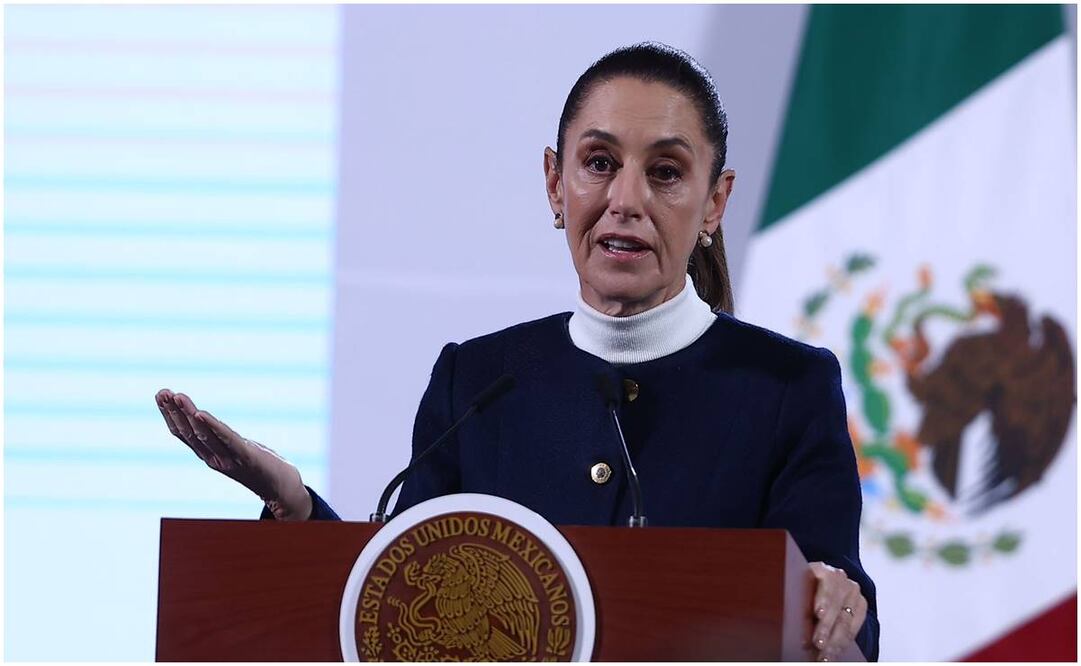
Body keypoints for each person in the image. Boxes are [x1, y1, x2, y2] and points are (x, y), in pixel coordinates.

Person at [155, 42, 879, 661]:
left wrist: (834, 605)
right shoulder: (475, 382)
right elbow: (407, 602)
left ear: (713, 204)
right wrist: (295, 509)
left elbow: (846, 621)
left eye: (664, 172)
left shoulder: (787, 386)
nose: (625, 199)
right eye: (598, 163)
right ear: (554, 183)